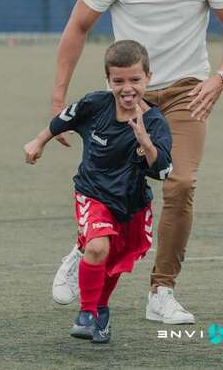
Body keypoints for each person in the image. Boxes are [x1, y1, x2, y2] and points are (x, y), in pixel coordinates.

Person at [49, 0, 223, 325]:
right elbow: (77, 28)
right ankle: (84, 251)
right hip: (127, 96)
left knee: (178, 183)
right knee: (112, 189)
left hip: (186, 92)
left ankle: (162, 291)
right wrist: (59, 100)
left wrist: (219, 78)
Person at [24, 40, 173, 343]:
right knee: (97, 248)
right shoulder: (95, 104)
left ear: (149, 78)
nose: (127, 88)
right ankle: (87, 313)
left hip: (131, 204)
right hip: (92, 193)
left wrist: (146, 144)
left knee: (113, 262)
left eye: (135, 80)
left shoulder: (155, 123)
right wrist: (39, 141)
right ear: (108, 81)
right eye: (118, 81)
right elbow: (63, 119)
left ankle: (101, 310)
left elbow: (163, 171)